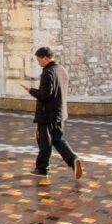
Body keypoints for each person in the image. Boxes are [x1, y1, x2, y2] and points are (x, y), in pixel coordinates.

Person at [21, 47, 83, 180]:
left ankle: (42, 169)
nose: (38, 63)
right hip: (60, 113)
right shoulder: (62, 70)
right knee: (58, 139)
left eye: (39, 60)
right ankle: (73, 159)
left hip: (46, 115)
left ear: (45, 58)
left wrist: (31, 90)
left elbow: (45, 95)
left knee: (44, 142)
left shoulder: (48, 72)